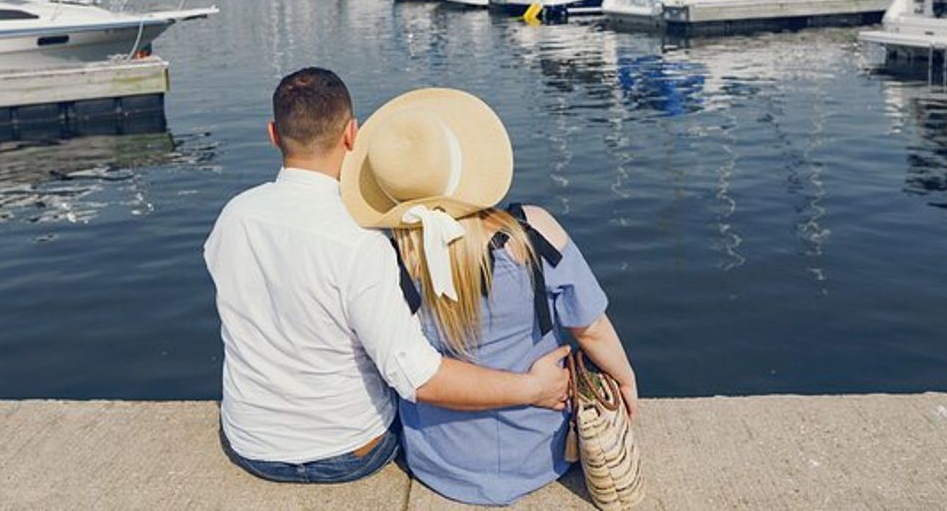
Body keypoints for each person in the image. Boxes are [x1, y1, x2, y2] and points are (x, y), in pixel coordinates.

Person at [204, 68, 572, 485]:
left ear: (273, 134)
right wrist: (533, 389)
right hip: (347, 451)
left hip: (249, 443)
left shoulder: (233, 216)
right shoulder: (361, 238)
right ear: (351, 134)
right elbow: (417, 377)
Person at [339, 87, 638, 506]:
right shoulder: (532, 233)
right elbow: (591, 329)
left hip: (440, 462)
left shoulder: (388, 257)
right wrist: (625, 380)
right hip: (541, 454)